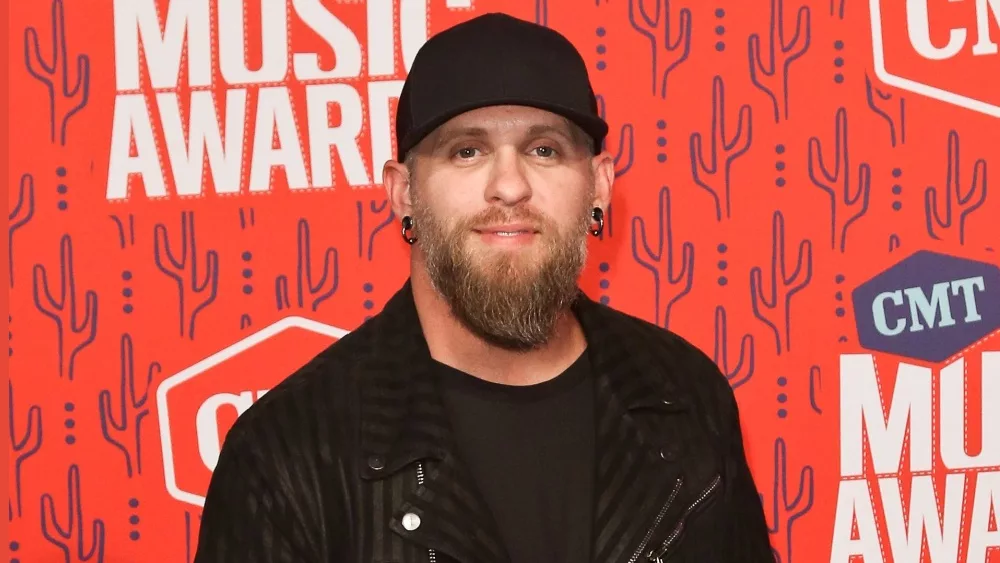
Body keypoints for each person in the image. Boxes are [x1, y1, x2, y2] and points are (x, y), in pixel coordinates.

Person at [194, 12, 774, 563]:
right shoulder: (286, 454)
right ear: (403, 193)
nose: (510, 186)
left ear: (599, 185)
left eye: (544, 149)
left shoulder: (684, 394)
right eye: (467, 151)